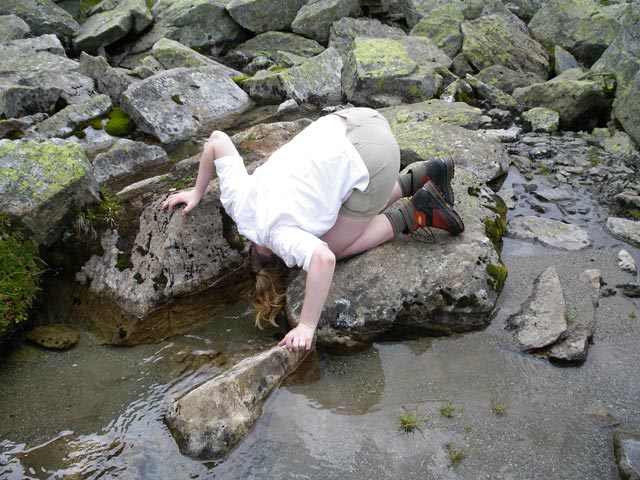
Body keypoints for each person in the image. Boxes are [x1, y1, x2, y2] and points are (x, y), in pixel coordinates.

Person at [162, 107, 464, 352]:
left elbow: (323, 260)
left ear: (278, 259)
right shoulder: (238, 201)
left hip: (377, 153)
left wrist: (306, 325)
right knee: (338, 200)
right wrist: (196, 192)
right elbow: (216, 140)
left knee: (333, 244)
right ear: (249, 247)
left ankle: (416, 213)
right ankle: (419, 176)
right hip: (356, 118)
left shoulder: (279, 237)